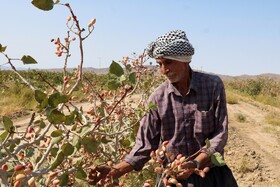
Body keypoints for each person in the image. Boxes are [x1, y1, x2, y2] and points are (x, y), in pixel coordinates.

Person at [88, 30, 238, 187]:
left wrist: (195, 162)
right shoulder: (157, 98)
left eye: (168, 63)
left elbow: (220, 134)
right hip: (173, 178)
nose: (163, 70)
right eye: (160, 64)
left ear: (184, 60)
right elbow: (144, 145)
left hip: (210, 174)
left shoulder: (212, 86)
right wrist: (116, 170)